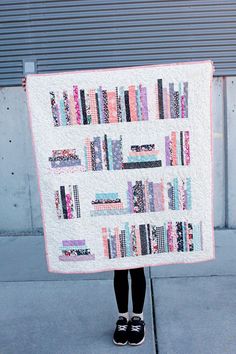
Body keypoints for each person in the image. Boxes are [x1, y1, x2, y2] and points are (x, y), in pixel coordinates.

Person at [22, 76, 146, 346]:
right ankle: (122, 317)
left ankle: (137, 318)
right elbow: (69, 128)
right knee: (118, 268)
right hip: (112, 206)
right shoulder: (101, 133)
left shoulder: (136, 128)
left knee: (136, 266)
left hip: (136, 203)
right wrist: (34, 90)